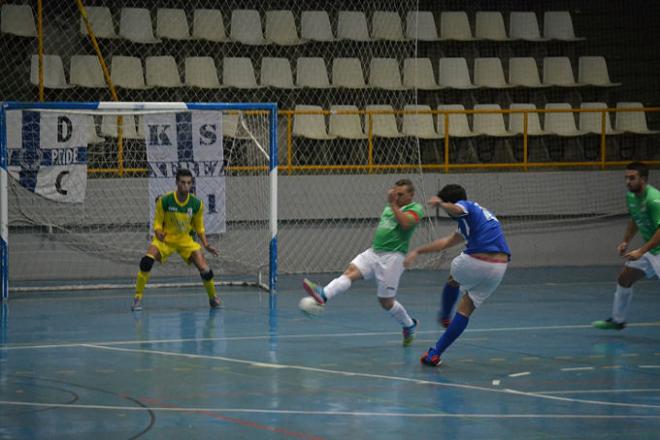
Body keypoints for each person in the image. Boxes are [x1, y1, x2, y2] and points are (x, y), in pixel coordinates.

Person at [302, 179, 424, 346]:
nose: (396, 197)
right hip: (374, 252)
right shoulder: (391, 206)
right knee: (350, 273)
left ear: (411, 195)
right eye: (394, 193)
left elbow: (405, 224)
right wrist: (393, 205)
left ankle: (409, 325)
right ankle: (323, 295)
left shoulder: (415, 209)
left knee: (386, 302)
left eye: (400, 194)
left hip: (393, 258)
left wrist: (393, 204)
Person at [404, 184, 510, 366]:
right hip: (499, 267)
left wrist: (441, 204)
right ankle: (434, 354)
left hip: (476, 260)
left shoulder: (465, 205)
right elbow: (446, 242)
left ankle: (445, 316)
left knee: (454, 279)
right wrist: (419, 251)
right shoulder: (479, 216)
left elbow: (457, 208)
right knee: (466, 309)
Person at [131, 168, 221, 311]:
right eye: (183, 183)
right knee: (146, 262)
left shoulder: (197, 204)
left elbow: (200, 227)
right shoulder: (165, 201)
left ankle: (213, 297)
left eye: (189, 183)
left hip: (185, 241)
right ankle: (137, 297)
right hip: (165, 240)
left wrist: (206, 244)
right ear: (177, 183)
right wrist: (158, 232)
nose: (186, 186)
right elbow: (157, 223)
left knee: (205, 269)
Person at [592, 162, 660, 330]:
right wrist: (626, 241)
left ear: (643, 179)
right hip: (651, 251)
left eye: (632, 178)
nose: (628, 182)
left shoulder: (654, 200)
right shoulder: (631, 197)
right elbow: (634, 219)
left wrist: (641, 251)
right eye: (626, 178)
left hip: (654, 250)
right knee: (625, 278)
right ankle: (618, 320)